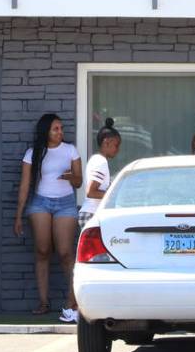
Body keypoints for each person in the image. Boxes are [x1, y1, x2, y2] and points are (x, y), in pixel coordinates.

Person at [13, 114, 82, 322]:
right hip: (40, 203)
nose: (60, 132)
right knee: (42, 251)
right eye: (56, 129)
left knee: (65, 252)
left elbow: (79, 182)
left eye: (61, 128)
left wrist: (71, 176)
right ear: (46, 131)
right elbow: (25, 185)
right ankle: (43, 302)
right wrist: (18, 215)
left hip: (65, 204)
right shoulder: (33, 153)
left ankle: (72, 301)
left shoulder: (70, 150)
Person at [79, 118, 122, 226]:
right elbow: (91, 192)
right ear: (106, 142)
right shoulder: (101, 162)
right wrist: (113, 195)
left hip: (89, 213)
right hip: (93, 214)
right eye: (116, 145)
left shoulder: (95, 159)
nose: (118, 149)